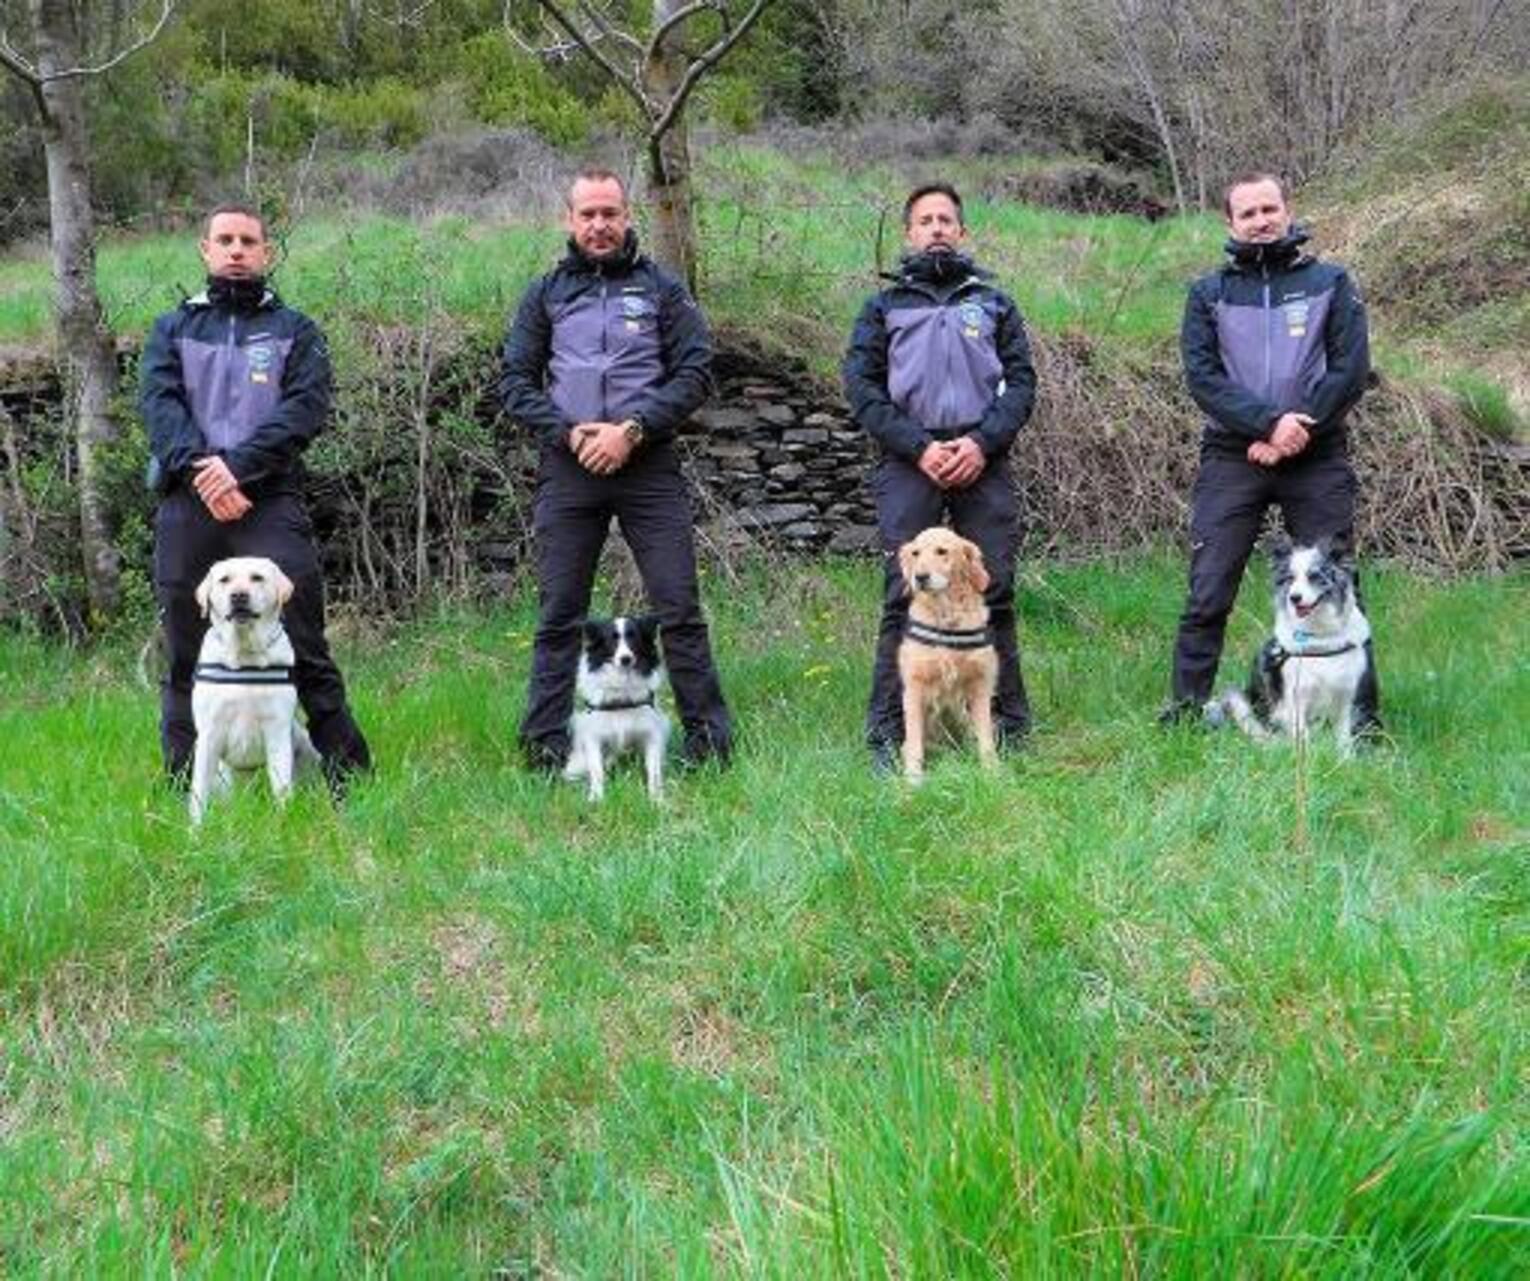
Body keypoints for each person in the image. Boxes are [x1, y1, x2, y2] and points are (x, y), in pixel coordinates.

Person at [500, 167, 732, 773]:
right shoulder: (545, 293)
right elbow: (516, 381)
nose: (599, 225)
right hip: (568, 466)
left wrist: (633, 430)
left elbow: (695, 373)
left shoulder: (663, 290)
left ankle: (709, 747)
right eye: (588, 214)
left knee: (679, 609)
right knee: (559, 615)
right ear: (569, 220)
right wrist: (570, 432)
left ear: (627, 217)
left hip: (647, 465)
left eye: (610, 213)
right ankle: (546, 749)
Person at [140, 203, 372, 791]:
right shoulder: (171, 329)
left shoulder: (297, 330)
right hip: (186, 504)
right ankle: (185, 786)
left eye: (248, 240)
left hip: (268, 503)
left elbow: (304, 410)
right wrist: (202, 474)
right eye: (225, 239)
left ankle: (351, 780)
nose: (237, 249)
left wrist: (234, 472)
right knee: (186, 651)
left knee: (305, 642)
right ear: (205, 250)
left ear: (266, 253)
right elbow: (160, 407)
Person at [1165, 171, 1380, 727]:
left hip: (1318, 454)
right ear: (1229, 223)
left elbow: (1350, 369)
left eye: (1269, 209)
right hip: (1233, 457)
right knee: (1208, 589)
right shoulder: (1207, 294)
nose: (1261, 221)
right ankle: (1185, 712)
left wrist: (1293, 432)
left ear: (1287, 211)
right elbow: (1203, 379)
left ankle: (1361, 719)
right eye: (1248, 213)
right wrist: (1266, 427)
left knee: (1342, 586)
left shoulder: (1332, 282)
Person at [844, 182, 1038, 772]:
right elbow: (863, 390)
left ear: (962, 231)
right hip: (910, 463)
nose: (935, 228)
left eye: (946, 220)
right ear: (909, 234)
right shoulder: (883, 308)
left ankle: (1007, 727)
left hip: (983, 460)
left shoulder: (995, 304)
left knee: (994, 589)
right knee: (903, 593)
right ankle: (888, 735)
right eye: (924, 220)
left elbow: (1023, 383)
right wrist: (919, 447)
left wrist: (981, 443)